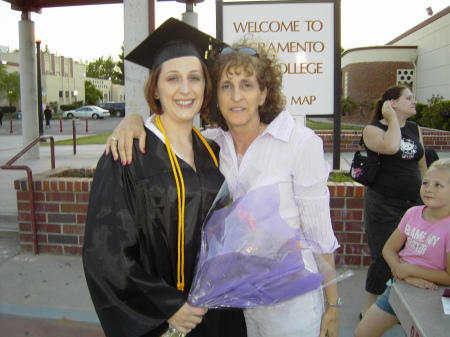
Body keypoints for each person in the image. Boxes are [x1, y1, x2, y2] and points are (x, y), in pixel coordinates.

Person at [106, 40, 341, 337]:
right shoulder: (211, 144)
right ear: (215, 95)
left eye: (247, 85)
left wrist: (333, 305)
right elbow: (166, 131)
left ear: (263, 93)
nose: (236, 96)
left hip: (289, 304)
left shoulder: (299, 144)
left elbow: (321, 235)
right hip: (233, 305)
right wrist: (133, 119)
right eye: (226, 86)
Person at [82, 18, 246, 337]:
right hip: (164, 320)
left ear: (205, 87)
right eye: (173, 78)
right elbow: (105, 254)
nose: (185, 89)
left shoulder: (212, 150)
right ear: (156, 87)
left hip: (216, 313)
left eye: (194, 78)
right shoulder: (127, 155)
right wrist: (167, 305)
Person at [354, 158, 450, 337]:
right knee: (363, 332)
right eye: (426, 183)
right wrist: (402, 273)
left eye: (438, 185)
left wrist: (410, 271)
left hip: (433, 295)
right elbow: (389, 249)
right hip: (401, 285)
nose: (429, 188)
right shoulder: (412, 213)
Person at [360, 85, 428, 317]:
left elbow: (421, 164)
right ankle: (369, 310)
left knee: (410, 256)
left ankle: (397, 308)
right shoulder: (373, 129)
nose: (414, 101)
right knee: (383, 257)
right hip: (383, 205)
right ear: (392, 103)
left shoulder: (414, 128)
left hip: (414, 206)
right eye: (408, 98)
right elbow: (391, 146)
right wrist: (390, 119)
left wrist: (429, 193)